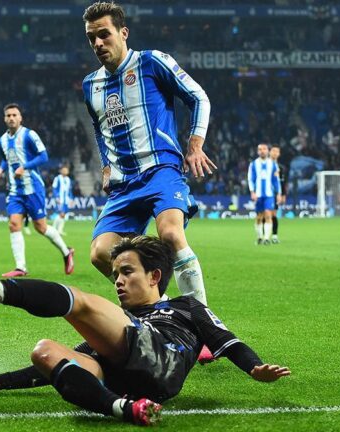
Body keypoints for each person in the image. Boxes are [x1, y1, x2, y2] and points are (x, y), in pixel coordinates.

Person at [0, 236, 290, 426]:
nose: (118, 280)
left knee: (82, 303)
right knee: (44, 352)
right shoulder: (120, 326)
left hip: (162, 356)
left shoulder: (185, 306)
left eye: (127, 272)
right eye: (116, 273)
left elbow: (227, 341)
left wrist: (254, 367)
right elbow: (46, 370)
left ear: (154, 276)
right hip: (128, 379)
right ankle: (121, 409)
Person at [81, 2, 215, 363]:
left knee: (171, 235)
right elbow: (99, 128)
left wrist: (195, 143)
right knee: (99, 254)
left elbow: (198, 97)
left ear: (123, 33)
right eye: (91, 37)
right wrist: (107, 165)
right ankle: (158, 310)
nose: (97, 42)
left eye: (104, 33)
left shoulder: (152, 62)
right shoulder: (90, 85)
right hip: (124, 185)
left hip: (161, 171)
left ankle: (203, 328)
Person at [0, 103, 74, 277]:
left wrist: (25, 167)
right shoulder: (2, 140)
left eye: (15, 115)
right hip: (15, 191)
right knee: (14, 224)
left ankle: (67, 252)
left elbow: (43, 156)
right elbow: (4, 159)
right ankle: (21, 267)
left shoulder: (29, 135)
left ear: (20, 117)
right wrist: (0, 169)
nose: (11, 118)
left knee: (41, 227)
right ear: (4, 119)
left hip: (33, 189)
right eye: (8, 115)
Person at [248, 144, 281, 245]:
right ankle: (259, 237)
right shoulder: (253, 164)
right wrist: (252, 192)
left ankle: (266, 238)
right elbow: (251, 179)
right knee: (259, 217)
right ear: (258, 152)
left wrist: (279, 193)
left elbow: (276, 180)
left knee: (268, 214)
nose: (262, 151)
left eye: (264, 149)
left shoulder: (273, 164)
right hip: (258, 194)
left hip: (269, 194)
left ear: (267, 151)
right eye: (260, 149)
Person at [269, 146, 287, 243]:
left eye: (277, 151)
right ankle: (264, 235)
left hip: (276, 194)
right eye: (273, 151)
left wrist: (283, 195)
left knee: (273, 214)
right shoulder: (264, 165)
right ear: (270, 152)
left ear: (279, 154)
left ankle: (274, 236)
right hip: (265, 193)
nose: (275, 153)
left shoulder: (281, 168)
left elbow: (283, 182)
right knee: (264, 214)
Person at [51, 165, 73, 235]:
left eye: (67, 170)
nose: (65, 171)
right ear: (61, 171)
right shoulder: (57, 178)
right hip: (60, 199)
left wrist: (71, 199)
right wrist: (56, 197)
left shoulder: (68, 179)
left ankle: (59, 230)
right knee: (61, 213)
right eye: (64, 170)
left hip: (66, 200)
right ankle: (54, 229)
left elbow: (69, 190)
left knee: (63, 215)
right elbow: (54, 188)